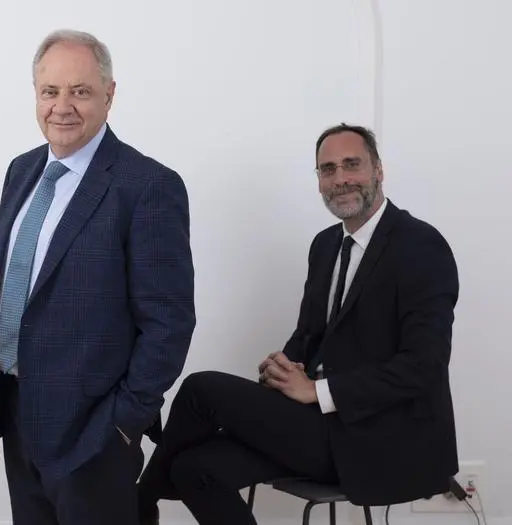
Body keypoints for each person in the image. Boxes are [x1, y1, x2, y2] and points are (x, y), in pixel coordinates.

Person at [136, 123, 460, 525]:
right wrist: (283, 367)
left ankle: (139, 502)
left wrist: (317, 391)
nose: (340, 179)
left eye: (352, 165)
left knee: (201, 389)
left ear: (378, 170)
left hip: (379, 439)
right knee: (194, 469)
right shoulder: (325, 245)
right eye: (328, 169)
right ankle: (143, 499)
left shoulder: (420, 246)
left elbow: (425, 367)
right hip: (321, 427)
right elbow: (309, 337)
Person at [0, 29, 195, 525]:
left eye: (81, 91)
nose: (62, 106)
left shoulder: (148, 186)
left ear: (109, 95)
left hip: (94, 435)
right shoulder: (21, 171)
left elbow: (169, 323)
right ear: (35, 94)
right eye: (50, 91)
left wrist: (121, 425)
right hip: (16, 414)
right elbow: (7, 294)